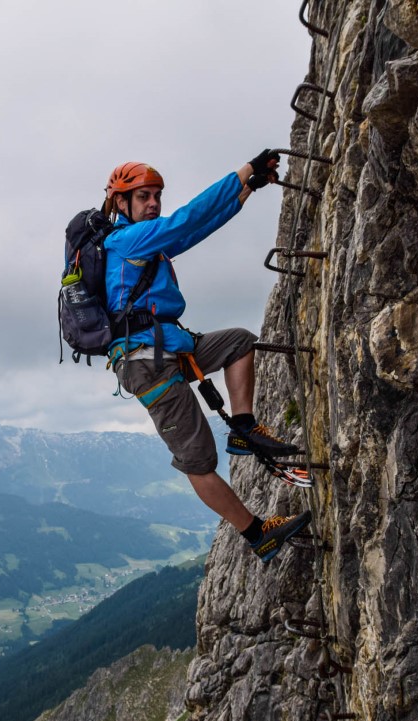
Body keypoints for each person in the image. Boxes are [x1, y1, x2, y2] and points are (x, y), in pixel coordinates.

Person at [102, 152, 312, 563]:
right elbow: (186, 219)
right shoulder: (125, 240)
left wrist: (247, 190)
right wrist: (243, 172)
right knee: (197, 460)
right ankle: (257, 534)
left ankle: (244, 428)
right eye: (143, 196)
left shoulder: (149, 241)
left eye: (157, 195)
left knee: (239, 342)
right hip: (146, 362)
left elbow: (199, 227)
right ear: (120, 203)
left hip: (169, 347)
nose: (154, 203)